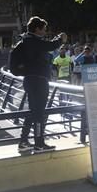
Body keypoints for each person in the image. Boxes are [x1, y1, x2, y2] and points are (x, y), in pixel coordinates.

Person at [18, 16, 66, 153]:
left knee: (33, 111)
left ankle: (23, 141)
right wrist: (60, 39)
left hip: (31, 80)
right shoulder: (33, 41)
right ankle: (39, 143)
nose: (45, 32)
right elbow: (50, 46)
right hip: (38, 81)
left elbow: (46, 46)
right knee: (39, 113)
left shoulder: (26, 40)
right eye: (44, 29)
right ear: (37, 29)